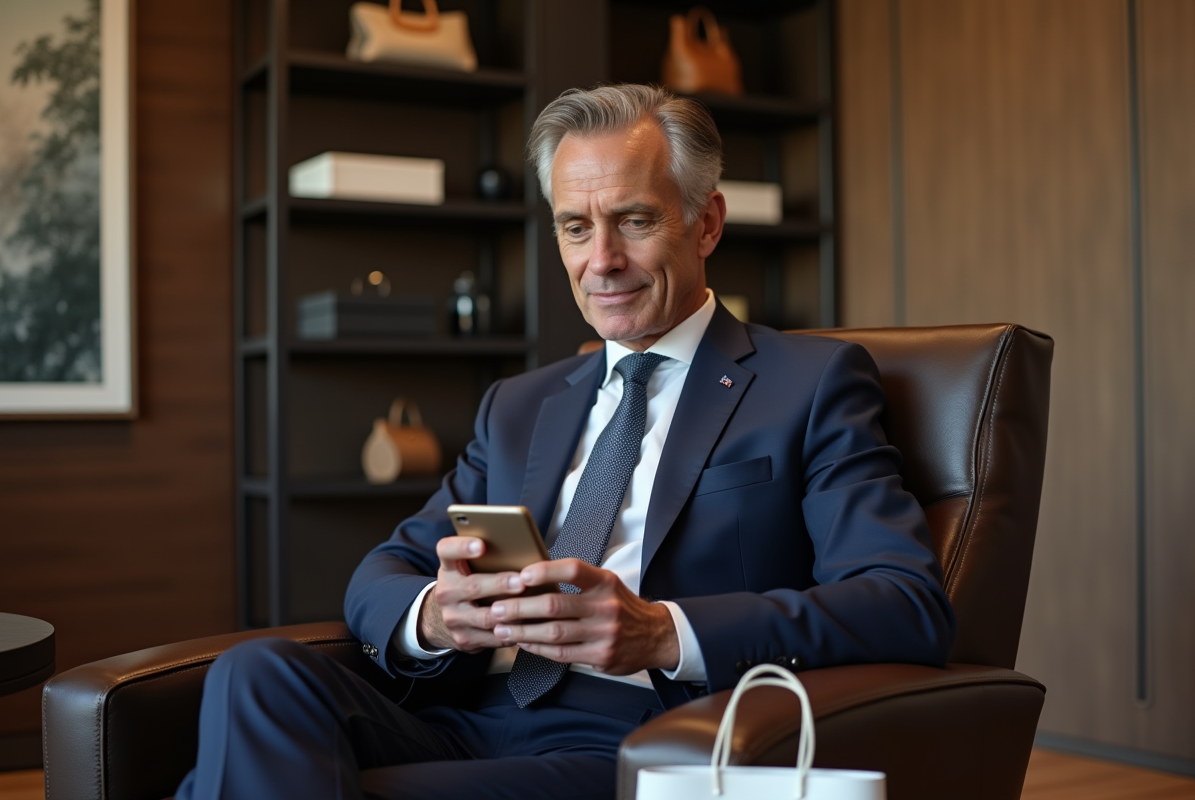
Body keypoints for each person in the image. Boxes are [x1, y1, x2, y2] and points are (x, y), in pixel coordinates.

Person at [176, 84, 955, 800]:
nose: (601, 261)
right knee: (256, 675)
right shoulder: (519, 405)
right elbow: (385, 569)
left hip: (640, 737)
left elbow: (903, 603)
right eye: (576, 228)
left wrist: (662, 631)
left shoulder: (809, 383)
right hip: (472, 714)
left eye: (636, 221)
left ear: (707, 222)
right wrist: (436, 617)